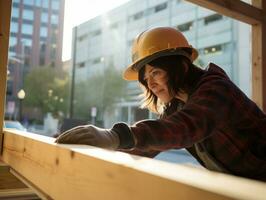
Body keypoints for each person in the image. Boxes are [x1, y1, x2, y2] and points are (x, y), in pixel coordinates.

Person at [55, 27, 266, 181]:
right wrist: (96, 151)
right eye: (146, 79)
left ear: (181, 66)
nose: (151, 84)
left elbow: (182, 128)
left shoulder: (216, 90)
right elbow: (147, 146)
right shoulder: (177, 106)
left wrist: (116, 135)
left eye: (156, 72)